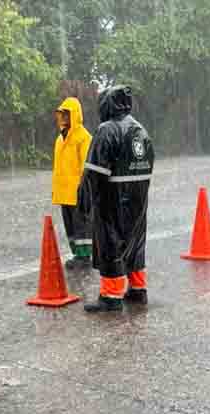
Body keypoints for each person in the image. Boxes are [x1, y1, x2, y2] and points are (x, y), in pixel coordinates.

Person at [80, 85, 154, 313]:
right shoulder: (140, 130)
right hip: (139, 197)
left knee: (110, 243)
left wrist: (84, 196)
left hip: (112, 197)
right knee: (135, 242)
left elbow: (95, 170)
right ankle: (138, 289)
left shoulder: (107, 130)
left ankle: (111, 296)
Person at [52, 97, 94, 270]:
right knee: (70, 224)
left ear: (74, 115)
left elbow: (87, 166)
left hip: (78, 192)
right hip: (64, 192)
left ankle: (84, 257)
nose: (63, 118)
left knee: (81, 224)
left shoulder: (83, 138)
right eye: (61, 114)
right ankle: (77, 254)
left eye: (66, 114)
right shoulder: (60, 139)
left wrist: (84, 189)